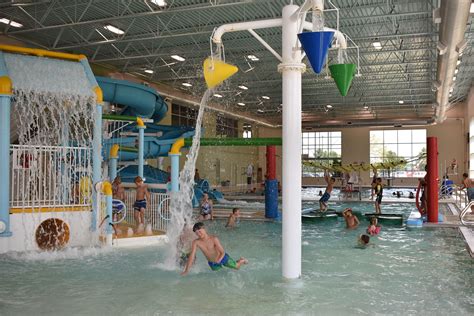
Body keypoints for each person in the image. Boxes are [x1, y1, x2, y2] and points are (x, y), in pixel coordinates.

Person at [181, 222, 248, 276]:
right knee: (220, 275)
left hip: (223, 258)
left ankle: (241, 260)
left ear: (204, 229)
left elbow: (222, 252)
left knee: (237, 267)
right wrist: (186, 270)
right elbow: (192, 256)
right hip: (212, 263)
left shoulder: (213, 239)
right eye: (196, 232)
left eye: (199, 231)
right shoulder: (196, 242)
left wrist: (219, 260)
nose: (198, 233)